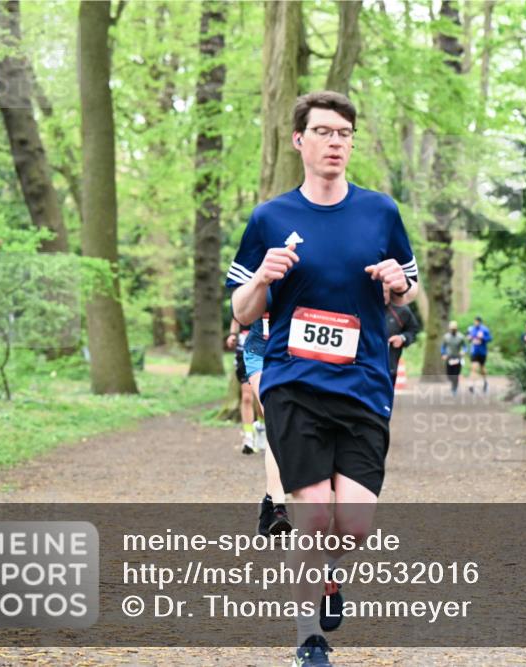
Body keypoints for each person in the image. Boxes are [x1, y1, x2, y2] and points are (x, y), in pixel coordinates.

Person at [227, 91, 419, 667]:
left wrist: (399, 283)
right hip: (294, 383)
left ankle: (330, 578)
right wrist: (262, 276)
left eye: (344, 133)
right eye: (325, 132)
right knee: (313, 517)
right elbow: (239, 312)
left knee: (353, 525)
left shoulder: (381, 212)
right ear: (299, 141)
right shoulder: (270, 218)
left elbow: (413, 296)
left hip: (363, 383)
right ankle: (308, 637)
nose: (336, 142)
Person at [238, 309, 293, 538]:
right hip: (260, 351)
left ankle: (270, 502)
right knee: (276, 419)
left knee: (289, 429)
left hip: (298, 354)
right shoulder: (259, 272)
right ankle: (279, 508)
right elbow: (240, 311)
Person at [226, 316, 259, 454]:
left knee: (261, 397)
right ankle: (249, 437)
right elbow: (236, 317)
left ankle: (262, 429)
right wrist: (232, 335)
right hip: (244, 350)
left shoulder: (273, 294)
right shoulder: (240, 294)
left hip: (265, 348)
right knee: (247, 397)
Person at [384, 284, 421, 387]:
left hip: (389, 367)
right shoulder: (364, 309)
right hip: (365, 367)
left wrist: (402, 338)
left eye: (385, 291)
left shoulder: (401, 310)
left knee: (385, 401)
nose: (382, 295)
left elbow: (413, 330)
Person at [466, 316, 492, 393]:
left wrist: (483, 337)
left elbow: (490, 338)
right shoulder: (471, 329)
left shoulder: (484, 329)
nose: (475, 323)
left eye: (477, 321)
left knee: (482, 368)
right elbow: (468, 337)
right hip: (474, 352)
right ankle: (471, 385)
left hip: (482, 352)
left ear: (480, 322)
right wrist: (469, 338)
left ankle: (485, 382)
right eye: (474, 321)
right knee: (473, 368)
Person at [440, 320, 466, 395]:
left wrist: (463, 351)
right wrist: (443, 354)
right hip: (449, 358)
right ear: (449, 329)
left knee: (456, 374)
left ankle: (454, 387)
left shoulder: (461, 337)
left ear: (456, 329)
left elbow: (465, 347)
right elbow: (443, 347)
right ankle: (453, 383)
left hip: (457, 357)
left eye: (454, 329)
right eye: (451, 329)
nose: (453, 330)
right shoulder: (446, 337)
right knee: (449, 374)